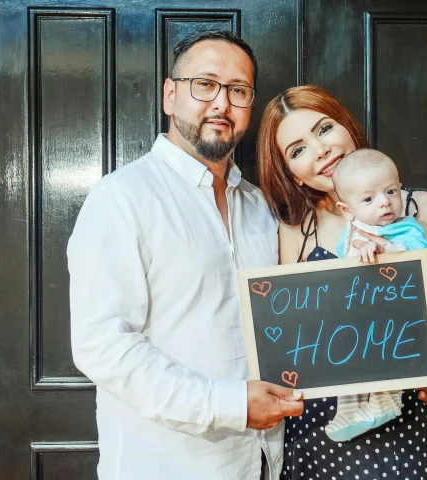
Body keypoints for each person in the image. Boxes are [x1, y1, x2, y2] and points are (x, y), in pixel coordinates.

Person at [67, 30, 303, 480]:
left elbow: (292, 319)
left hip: (263, 462)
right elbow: (102, 345)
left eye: (238, 91)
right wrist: (230, 405)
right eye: (205, 84)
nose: (221, 103)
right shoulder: (123, 198)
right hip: (167, 464)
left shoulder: (260, 208)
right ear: (170, 95)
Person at [257, 85, 427, 479]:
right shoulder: (296, 232)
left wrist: (408, 265)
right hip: (312, 435)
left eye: (324, 129)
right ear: (291, 172)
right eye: (298, 149)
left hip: (398, 434)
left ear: (347, 126)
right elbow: (288, 352)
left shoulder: (424, 212)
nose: (320, 150)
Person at [322, 148, 427, 443]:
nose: (384, 202)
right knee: (346, 362)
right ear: (348, 210)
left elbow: (421, 253)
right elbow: (343, 263)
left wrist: (387, 251)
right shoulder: (351, 231)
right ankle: (347, 409)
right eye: (369, 199)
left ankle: (386, 401)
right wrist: (356, 247)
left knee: (386, 352)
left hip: (395, 316)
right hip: (358, 316)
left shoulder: (407, 228)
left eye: (391, 191)